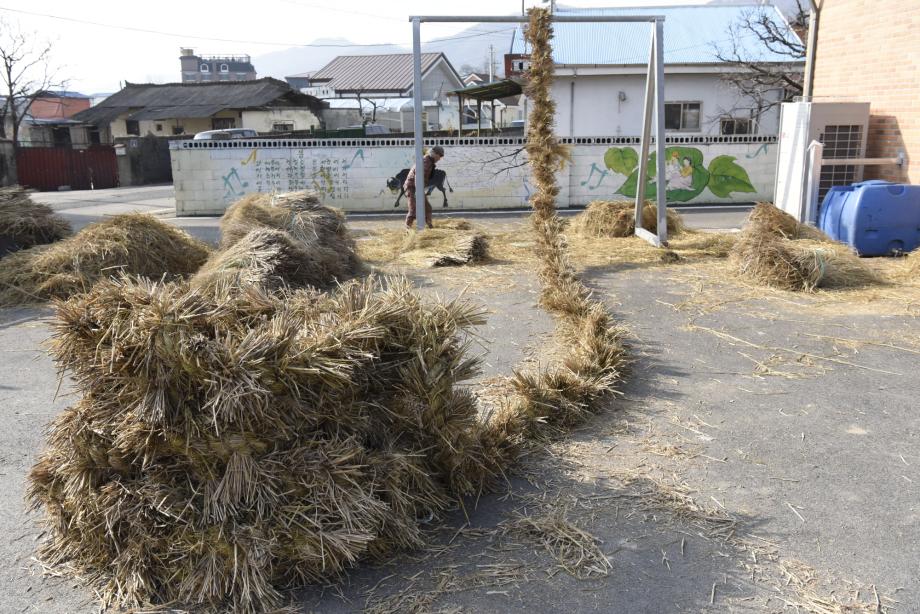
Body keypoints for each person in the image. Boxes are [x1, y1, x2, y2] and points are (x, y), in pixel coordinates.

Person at [404, 145, 444, 230]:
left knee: (428, 208)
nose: (440, 158)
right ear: (434, 154)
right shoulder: (426, 161)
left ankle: (429, 228)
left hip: (417, 187)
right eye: (439, 156)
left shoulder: (429, 161)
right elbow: (418, 176)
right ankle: (407, 232)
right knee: (413, 210)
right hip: (412, 187)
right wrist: (417, 191)